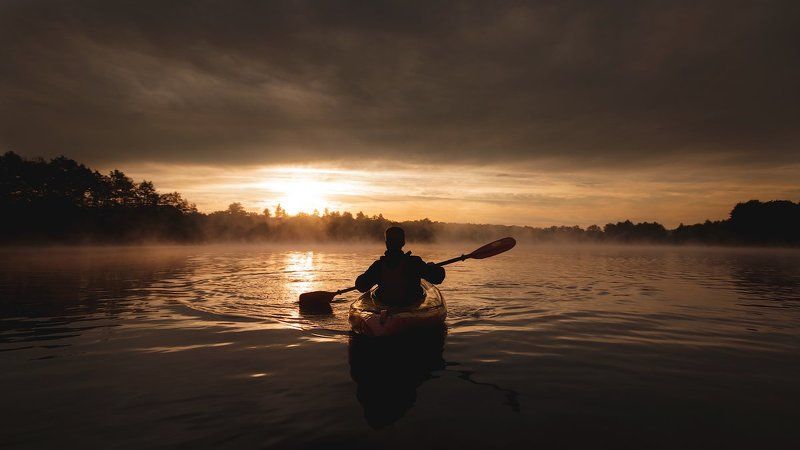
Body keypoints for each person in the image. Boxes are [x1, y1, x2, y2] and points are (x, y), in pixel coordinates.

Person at [355, 226, 445, 306]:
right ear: (403, 242)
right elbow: (438, 278)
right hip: (410, 306)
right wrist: (433, 267)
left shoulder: (378, 266)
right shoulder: (414, 263)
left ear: (386, 244)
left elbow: (360, 286)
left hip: (387, 306)